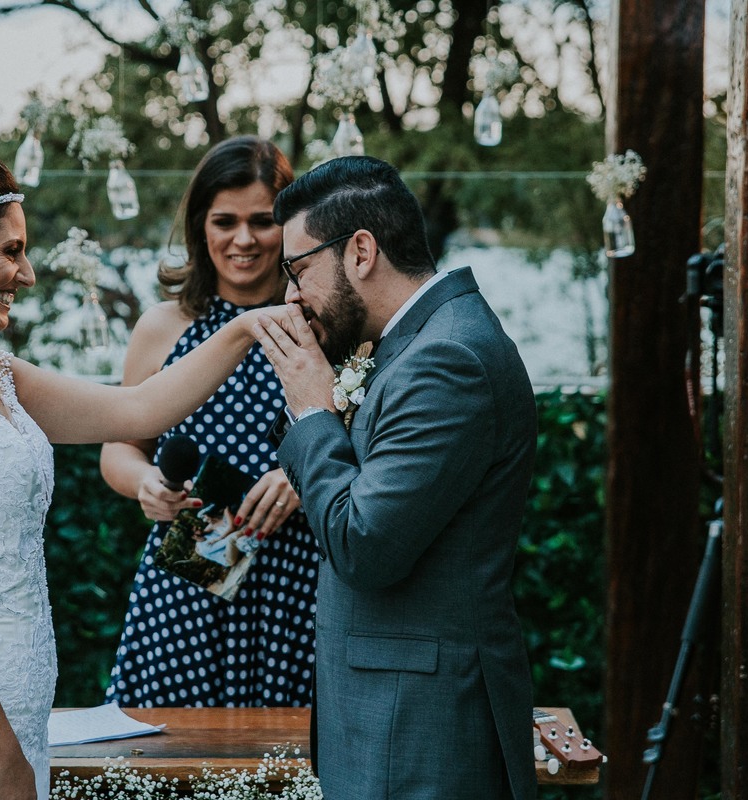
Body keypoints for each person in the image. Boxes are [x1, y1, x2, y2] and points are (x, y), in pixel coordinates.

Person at [0, 151, 285, 800]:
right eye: (11, 251)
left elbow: (138, 407)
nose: (28, 272)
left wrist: (245, 328)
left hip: (12, 701)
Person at [250, 155, 539, 800]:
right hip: (393, 716)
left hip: (422, 729)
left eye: (298, 272)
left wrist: (313, 411)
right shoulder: (416, 344)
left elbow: (364, 545)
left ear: (360, 252)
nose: (291, 297)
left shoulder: (446, 359)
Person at [99, 136, 319, 708]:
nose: (243, 239)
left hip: (300, 584)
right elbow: (120, 447)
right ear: (200, 227)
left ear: (291, 227)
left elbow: (377, 444)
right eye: (224, 221)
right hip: (188, 581)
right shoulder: (162, 327)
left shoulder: (324, 325)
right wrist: (145, 483)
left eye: (262, 221)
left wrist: (309, 473)